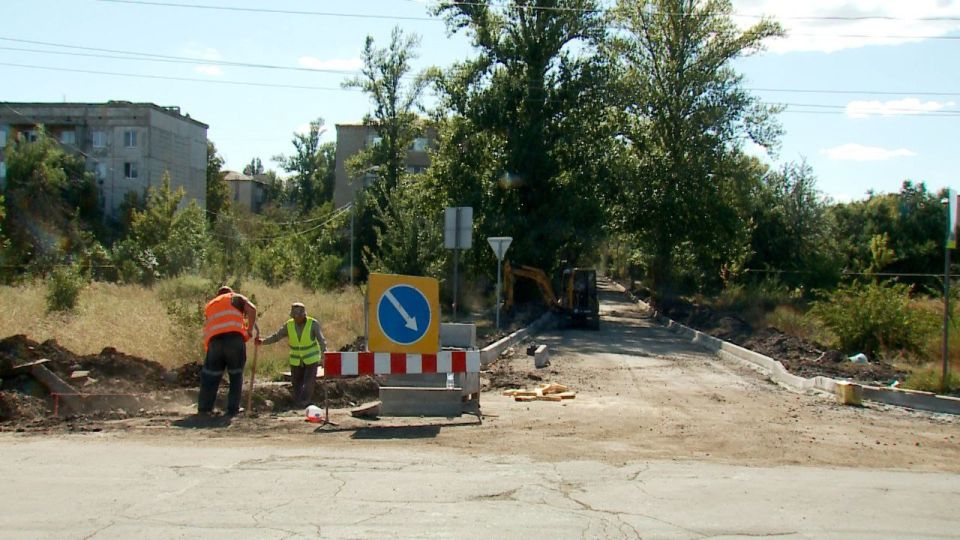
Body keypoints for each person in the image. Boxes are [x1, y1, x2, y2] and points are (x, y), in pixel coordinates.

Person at [198, 286, 257, 416]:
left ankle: (204, 408)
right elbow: (252, 309)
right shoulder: (235, 297)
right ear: (230, 292)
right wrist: (249, 330)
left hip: (214, 343)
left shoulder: (210, 304)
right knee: (235, 375)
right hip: (234, 340)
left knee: (210, 376)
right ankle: (232, 409)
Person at [256, 302, 328, 407]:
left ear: (304, 315)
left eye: (298, 316)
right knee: (296, 383)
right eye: (294, 316)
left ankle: (305, 401)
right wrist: (263, 342)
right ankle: (298, 402)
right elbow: (277, 336)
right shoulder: (289, 325)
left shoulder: (313, 324)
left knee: (309, 382)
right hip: (296, 360)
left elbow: (321, 341)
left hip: (311, 359)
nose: (296, 318)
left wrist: (325, 354)